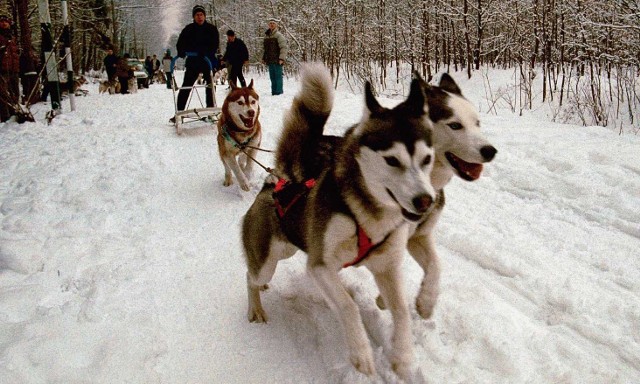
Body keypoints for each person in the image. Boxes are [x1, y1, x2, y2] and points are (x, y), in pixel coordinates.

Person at [172, 5, 220, 121]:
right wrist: (181, 51)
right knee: (186, 87)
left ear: (205, 16)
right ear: (194, 16)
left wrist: (207, 51)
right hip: (193, 62)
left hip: (207, 61)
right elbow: (180, 43)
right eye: (197, 15)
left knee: (210, 86)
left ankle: (211, 111)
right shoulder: (188, 29)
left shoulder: (211, 29)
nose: (200, 17)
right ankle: (179, 112)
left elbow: (215, 44)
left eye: (201, 15)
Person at [0, 13, 19, 122]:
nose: (3, 24)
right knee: (3, 94)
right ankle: (5, 117)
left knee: (15, 93)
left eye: (5, 22)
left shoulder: (12, 37)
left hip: (14, 70)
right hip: (2, 70)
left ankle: (14, 113)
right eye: (1, 22)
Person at [262, 18, 287, 95]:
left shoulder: (279, 36)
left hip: (277, 60)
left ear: (276, 25)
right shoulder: (266, 36)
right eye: (270, 23)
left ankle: (279, 92)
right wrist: (264, 58)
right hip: (270, 60)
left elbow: (283, 47)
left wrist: (281, 58)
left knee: (278, 77)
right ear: (268, 25)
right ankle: (274, 92)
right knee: (272, 77)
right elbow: (265, 49)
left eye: (273, 23)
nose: (272, 25)